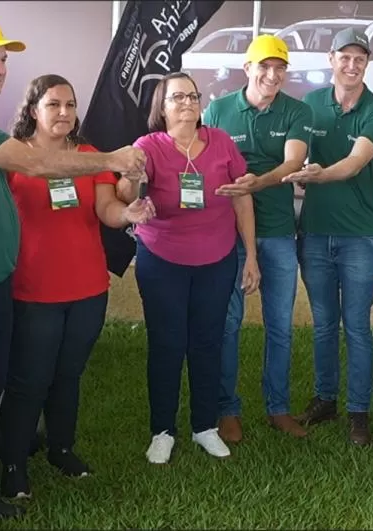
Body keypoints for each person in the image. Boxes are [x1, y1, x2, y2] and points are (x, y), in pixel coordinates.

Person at [0, 11, 146, 529]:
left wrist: (121, 197)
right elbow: (37, 166)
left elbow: (104, 204)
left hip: (0, 284)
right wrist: (111, 159)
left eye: (3, 58)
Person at [0, 74, 155, 498]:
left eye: (70, 105)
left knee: (68, 374)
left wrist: (130, 214)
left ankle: (61, 447)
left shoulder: (89, 156)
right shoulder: (17, 158)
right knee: (29, 379)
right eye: (53, 105)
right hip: (33, 290)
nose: (64, 113)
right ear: (33, 111)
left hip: (87, 288)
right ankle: (13, 462)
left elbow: (107, 210)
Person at [115, 72, 258, 464]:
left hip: (217, 259)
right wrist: (132, 178)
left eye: (193, 96)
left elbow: (241, 198)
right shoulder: (148, 146)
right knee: (167, 343)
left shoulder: (221, 143)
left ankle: (204, 426)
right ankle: (162, 430)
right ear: (161, 107)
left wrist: (251, 256)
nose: (188, 103)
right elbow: (124, 195)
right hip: (163, 260)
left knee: (208, 342)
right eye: (178, 97)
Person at [281, 28, 373, 446]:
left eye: (359, 58)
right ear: (331, 59)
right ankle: (326, 398)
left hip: (359, 235)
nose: (352, 64)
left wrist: (315, 175)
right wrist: (295, 170)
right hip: (313, 233)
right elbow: (292, 153)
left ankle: (359, 412)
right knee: (325, 323)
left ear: (367, 63)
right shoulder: (309, 105)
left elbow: (353, 163)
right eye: (344, 57)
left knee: (357, 326)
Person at [203, 34, 313, 442]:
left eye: (279, 68)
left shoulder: (296, 111)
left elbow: (293, 162)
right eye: (264, 66)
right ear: (247, 68)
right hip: (225, 234)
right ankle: (226, 408)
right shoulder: (218, 109)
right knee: (228, 323)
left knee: (280, 325)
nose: (272, 75)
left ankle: (278, 408)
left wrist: (254, 182)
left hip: (279, 232)